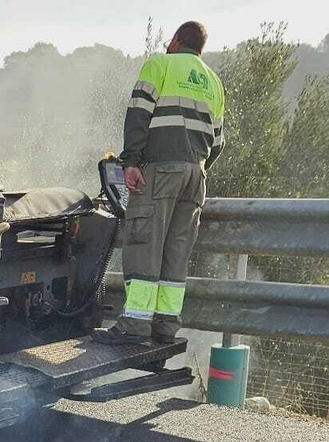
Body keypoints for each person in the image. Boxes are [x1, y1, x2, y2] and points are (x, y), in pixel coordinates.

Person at [100, 21, 226, 346]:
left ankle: (135, 325)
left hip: (159, 170)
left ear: (175, 41)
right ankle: (166, 326)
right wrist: (194, 166)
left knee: (145, 244)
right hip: (197, 174)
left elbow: (138, 116)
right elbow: (220, 141)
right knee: (176, 251)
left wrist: (130, 163)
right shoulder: (214, 82)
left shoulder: (160, 64)